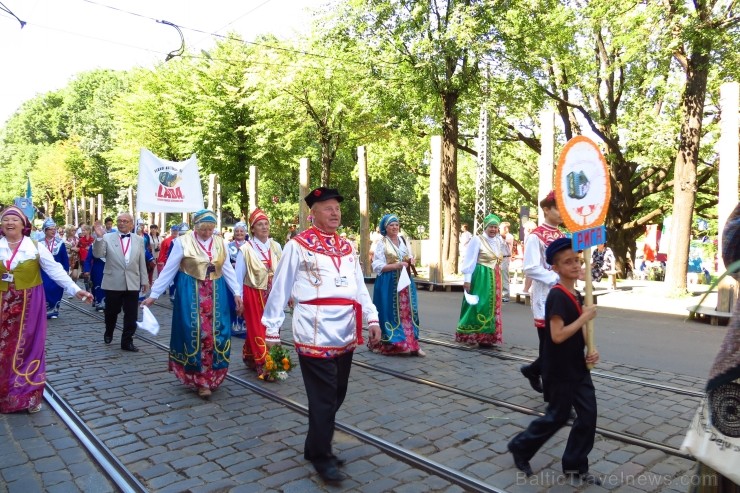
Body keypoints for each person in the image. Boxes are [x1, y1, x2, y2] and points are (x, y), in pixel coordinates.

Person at [261, 187, 381, 484]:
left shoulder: (347, 247)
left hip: (345, 330)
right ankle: (322, 456)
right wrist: (272, 328)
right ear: (312, 213)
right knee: (324, 397)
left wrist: (372, 316)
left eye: (337, 207)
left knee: (337, 392)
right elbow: (281, 287)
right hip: (313, 330)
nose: (335, 212)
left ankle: (314, 444)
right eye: (327, 207)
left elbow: (358, 285)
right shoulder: (298, 245)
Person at [508, 237, 600, 483]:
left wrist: (591, 350)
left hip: (578, 367)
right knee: (557, 416)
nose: (574, 265)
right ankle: (520, 446)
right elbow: (557, 336)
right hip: (559, 370)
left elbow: (580, 332)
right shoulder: (557, 296)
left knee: (588, 416)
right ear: (555, 268)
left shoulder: (577, 294)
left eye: (577, 260)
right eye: (567, 262)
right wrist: (583, 318)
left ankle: (575, 465)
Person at [0, 206, 93, 414]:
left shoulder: (34, 247)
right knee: (3, 347)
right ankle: (4, 391)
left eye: (14, 219)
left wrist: (75, 290)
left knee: (28, 346)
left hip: (29, 304)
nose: (9, 223)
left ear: (24, 225)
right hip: (3, 303)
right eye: (6, 219)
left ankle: (27, 395)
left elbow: (55, 270)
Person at [142, 210, 243, 399]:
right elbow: (169, 270)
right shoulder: (182, 242)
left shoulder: (220, 242)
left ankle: (212, 375)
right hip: (191, 291)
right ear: (195, 227)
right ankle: (199, 379)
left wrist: (237, 292)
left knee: (217, 333)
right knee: (195, 332)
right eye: (203, 229)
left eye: (210, 229)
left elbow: (227, 268)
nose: (206, 233)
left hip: (217, 291)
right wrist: (154, 294)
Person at [519, 192, 565, 395]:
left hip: (562, 293)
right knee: (549, 344)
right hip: (544, 296)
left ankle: (533, 370)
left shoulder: (562, 236)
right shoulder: (535, 236)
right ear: (546, 209)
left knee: (559, 344)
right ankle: (551, 392)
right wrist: (554, 277)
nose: (562, 213)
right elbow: (530, 267)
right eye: (558, 208)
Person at [234, 209, 283, 376]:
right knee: (258, 328)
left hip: (273, 294)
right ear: (252, 229)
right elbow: (238, 276)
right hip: (253, 293)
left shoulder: (276, 246)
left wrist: (288, 293)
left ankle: (250, 356)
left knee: (273, 328)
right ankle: (266, 365)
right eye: (260, 225)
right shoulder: (246, 249)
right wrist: (238, 298)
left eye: (266, 224)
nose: (264, 227)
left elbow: (283, 272)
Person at [368, 214, 424, 356]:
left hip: (405, 282)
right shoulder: (381, 243)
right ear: (385, 228)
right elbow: (376, 265)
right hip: (388, 282)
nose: (395, 227)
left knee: (408, 312)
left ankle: (412, 343)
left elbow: (408, 257)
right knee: (389, 312)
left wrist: (410, 260)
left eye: (396, 224)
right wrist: (397, 265)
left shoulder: (403, 240)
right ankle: (391, 343)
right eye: (391, 225)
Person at [93, 212, 149, 352]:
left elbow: (141, 261)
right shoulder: (107, 237)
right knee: (112, 311)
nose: (122, 223)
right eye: (119, 221)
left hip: (132, 281)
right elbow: (98, 254)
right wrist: (99, 238)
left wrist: (145, 280)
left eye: (125, 221)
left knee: (131, 314)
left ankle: (127, 341)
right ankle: (109, 330)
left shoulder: (139, 240)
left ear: (131, 223)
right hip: (113, 281)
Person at [457, 214, 506, 348]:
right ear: (485, 227)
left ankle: (488, 337)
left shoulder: (497, 241)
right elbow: (469, 260)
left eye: (495, 227)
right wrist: (467, 280)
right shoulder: (477, 240)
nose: (493, 230)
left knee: (492, 306)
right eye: (491, 227)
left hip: (494, 276)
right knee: (478, 304)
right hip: (480, 276)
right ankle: (472, 334)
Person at [40, 219, 69, 319]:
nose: (53, 231)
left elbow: (64, 257)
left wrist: (66, 269)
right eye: (50, 229)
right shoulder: (39, 243)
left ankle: (54, 310)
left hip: (57, 269)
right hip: (43, 271)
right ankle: (46, 308)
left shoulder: (60, 243)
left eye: (54, 229)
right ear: (45, 230)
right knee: (46, 288)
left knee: (57, 288)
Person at [227, 221, 249, 336]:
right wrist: (232, 265)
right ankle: (233, 324)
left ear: (246, 232)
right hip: (232, 279)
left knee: (246, 301)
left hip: (246, 279)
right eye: (237, 231)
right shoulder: (228, 246)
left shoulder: (250, 246)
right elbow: (224, 262)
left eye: (241, 231)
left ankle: (244, 324)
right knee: (232, 302)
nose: (239, 233)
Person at [82, 228, 106, 312]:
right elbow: (88, 259)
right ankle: (99, 302)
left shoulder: (111, 245)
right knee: (98, 285)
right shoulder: (94, 245)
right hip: (98, 268)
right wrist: (87, 270)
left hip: (110, 268)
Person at [500, 221, 514, 302]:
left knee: (504, 276)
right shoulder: (498, 236)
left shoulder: (509, 236)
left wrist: (500, 234)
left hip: (505, 258)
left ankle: (506, 295)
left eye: (500, 228)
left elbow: (504, 238)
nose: (499, 229)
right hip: (499, 258)